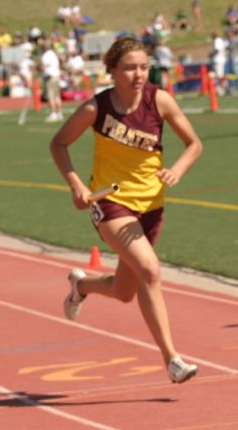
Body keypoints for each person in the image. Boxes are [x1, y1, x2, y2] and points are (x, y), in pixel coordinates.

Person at [49, 38, 203, 384]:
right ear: (113, 71)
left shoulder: (159, 100)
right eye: (130, 68)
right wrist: (76, 184)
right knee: (150, 269)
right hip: (111, 201)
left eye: (144, 67)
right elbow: (58, 143)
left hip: (151, 204)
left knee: (124, 291)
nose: (138, 74)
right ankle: (172, 359)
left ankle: (83, 285)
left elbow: (194, 144)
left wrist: (176, 170)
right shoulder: (96, 109)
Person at [40, 39, 63, 122]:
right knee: (57, 96)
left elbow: (43, 67)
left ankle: (53, 114)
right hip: (56, 76)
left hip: (50, 77)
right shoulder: (53, 54)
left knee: (51, 96)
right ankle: (59, 113)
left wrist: (36, 68)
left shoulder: (45, 55)